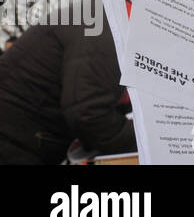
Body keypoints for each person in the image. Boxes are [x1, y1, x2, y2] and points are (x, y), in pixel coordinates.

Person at [0, 15, 135, 164]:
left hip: (28, 140)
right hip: (15, 143)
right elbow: (89, 114)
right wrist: (152, 137)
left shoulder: (106, 20)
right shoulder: (106, 26)